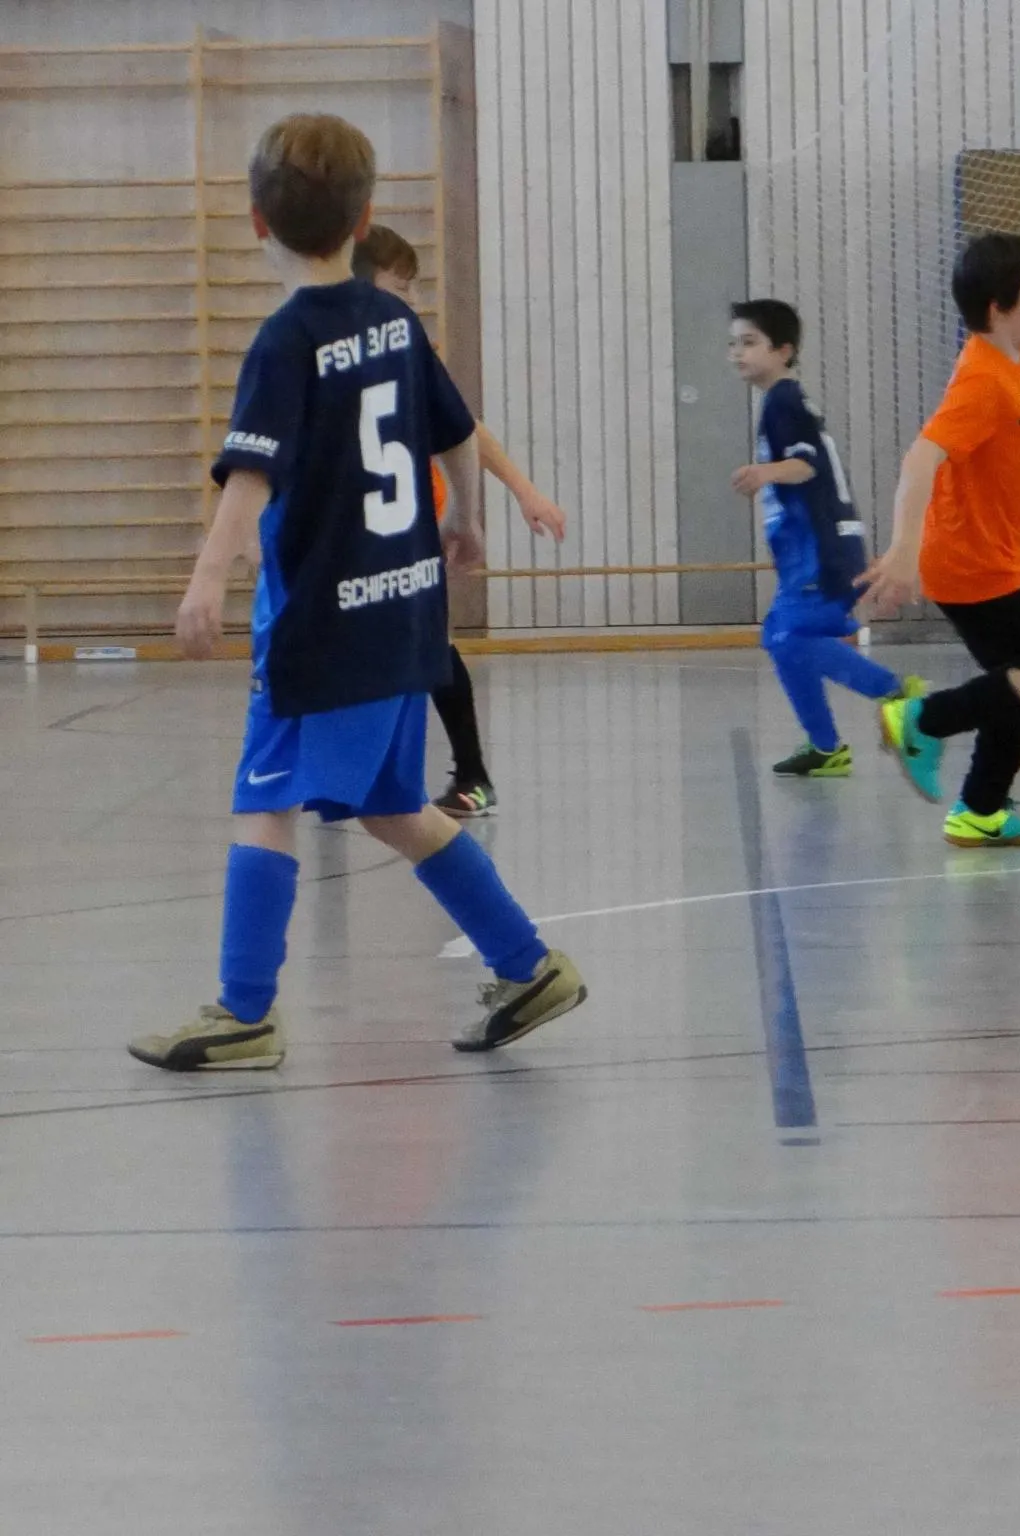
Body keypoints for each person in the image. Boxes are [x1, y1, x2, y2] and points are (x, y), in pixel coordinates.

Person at [127, 114, 586, 1071]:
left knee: (264, 800)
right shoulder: (393, 321)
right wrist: (465, 520)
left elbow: (250, 474)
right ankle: (528, 963)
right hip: (404, 611)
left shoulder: (286, 340)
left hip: (322, 626)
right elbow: (454, 428)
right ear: (366, 219)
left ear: (257, 221)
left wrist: (207, 579)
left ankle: (244, 1011)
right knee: (394, 807)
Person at [858, 232, 1020, 847]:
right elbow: (922, 457)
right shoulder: (980, 380)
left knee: (1014, 689)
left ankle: (980, 811)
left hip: (987, 558)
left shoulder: (1013, 361)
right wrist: (903, 550)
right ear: (1000, 308)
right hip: (972, 566)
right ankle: (922, 718)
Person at [350, 223, 569, 817]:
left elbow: (465, 428)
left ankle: (471, 774)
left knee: (429, 642)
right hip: (353, 527)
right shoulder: (330, 347)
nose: (414, 302)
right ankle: (360, 772)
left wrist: (524, 492)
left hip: (406, 520)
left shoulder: (400, 347)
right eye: (403, 288)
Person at [727, 298, 916, 776]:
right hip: (809, 551)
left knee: (788, 638)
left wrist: (764, 472)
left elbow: (807, 463)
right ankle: (826, 746)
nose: (737, 353)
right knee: (781, 636)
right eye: (734, 343)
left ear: (784, 350)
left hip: (821, 550)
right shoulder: (783, 400)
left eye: (749, 342)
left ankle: (898, 694)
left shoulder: (784, 401)